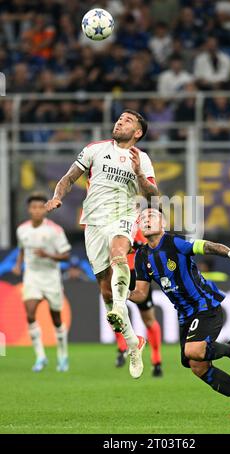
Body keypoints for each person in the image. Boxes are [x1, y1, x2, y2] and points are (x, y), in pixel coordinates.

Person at [45, 109, 159, 379]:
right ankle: (133, 342)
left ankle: (121, 309)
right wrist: (56, 196)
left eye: (127, 120)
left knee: (119, 252)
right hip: (94, 222)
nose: (120, 122)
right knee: (106, 292)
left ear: (138, 132)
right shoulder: (95, 149)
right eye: (119, 118)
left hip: (123, 215)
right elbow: (68, 178)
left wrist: (139, 176)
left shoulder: (142, 158)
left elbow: (154, 193)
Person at [129, 206, 230, 417]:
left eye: (152, 216)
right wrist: (120, 296)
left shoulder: (175, 242)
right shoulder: (141, 256)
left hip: (205, 306)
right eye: (143, 217)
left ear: (163, 224)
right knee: (196, 366)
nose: (146, 219)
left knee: (194, 351)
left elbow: (208, 246)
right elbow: (140, 293)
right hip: (184, 315)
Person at [13, 193, 71, 372]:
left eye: (40, 207)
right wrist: (18, 265)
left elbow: (66, 255)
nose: (37, 211)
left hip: (51, 277)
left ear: (45, 209)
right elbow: (22, 248)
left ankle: (62, 355)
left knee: (56, 319)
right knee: (30, 314)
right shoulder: (22, 229)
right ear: (29, 210)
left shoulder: (55, 230)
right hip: (31, 276)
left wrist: (49, 255)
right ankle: (40, 357)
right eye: (33, 207)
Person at [115, 229, 163, 377]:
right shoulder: (114, 223)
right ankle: (122, 348)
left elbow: (149, 245)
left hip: (137, 274)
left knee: (148, 319)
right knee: (114, 312)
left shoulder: (141, 224)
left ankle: (156, 360)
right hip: (118, 272)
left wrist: (133, 245)